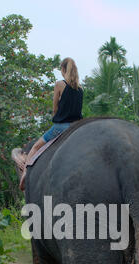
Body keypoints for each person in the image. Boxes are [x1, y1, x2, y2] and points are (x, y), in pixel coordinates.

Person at [18, 57, 83, 189]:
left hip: (60, 127)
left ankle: (25, 173)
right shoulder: (80, 89)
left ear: (64, 69)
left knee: (36, 147)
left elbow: (55, 108)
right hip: (76, 128)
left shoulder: (60, 84)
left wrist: (56, 116)